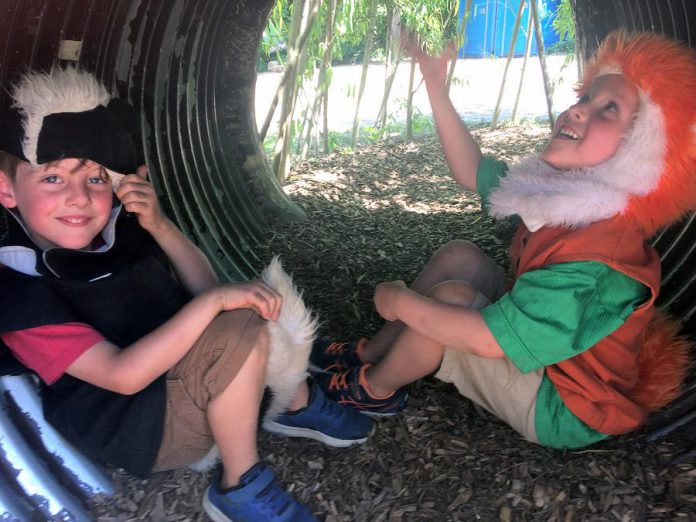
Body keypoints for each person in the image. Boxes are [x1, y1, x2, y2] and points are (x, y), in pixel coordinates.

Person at [0, 66, 373, 522]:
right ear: (6, 189)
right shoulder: (18, 291)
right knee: (237, 322)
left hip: (176, 387)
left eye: (96, 179)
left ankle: (292, 402)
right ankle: (238, 486)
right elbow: (123, 375)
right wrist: (216, 305)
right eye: (53, 178)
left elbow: (206, 287)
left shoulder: (115, 238)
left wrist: (158, 224)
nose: (79, 197)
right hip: (138, 428)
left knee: (255, 302)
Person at [309, 31, 695, 448]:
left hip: (565, 403)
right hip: (552, 345)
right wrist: (437, 90)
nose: (580, 110)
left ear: (640, 153)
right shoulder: (566, 191)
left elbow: (490, 341)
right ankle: (372, 352)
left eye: (609, 109)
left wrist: (402, 302)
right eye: (585, 98)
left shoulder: (599, 257)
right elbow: (471, 170)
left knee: (449, 301)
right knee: (459, 258)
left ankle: (375, 389)